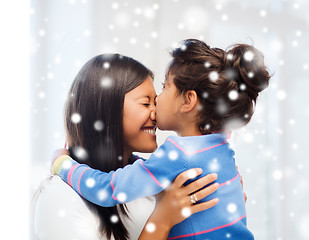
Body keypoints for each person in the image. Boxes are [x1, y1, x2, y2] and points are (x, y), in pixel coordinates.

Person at [53, 39, 271, 239]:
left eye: (165, 87)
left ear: (188, 101)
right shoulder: (221, 148)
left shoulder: (178, 153)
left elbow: (107, 189)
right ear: (106, 109)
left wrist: (63, 165)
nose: (156, 104)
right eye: (145, 102)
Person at [32, 53, 219, 240]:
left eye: (155, 102)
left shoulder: (154, 186)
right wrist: (161, 220)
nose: (156, 112)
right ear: (105, 109)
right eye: (146, 103)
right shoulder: (59, 197)